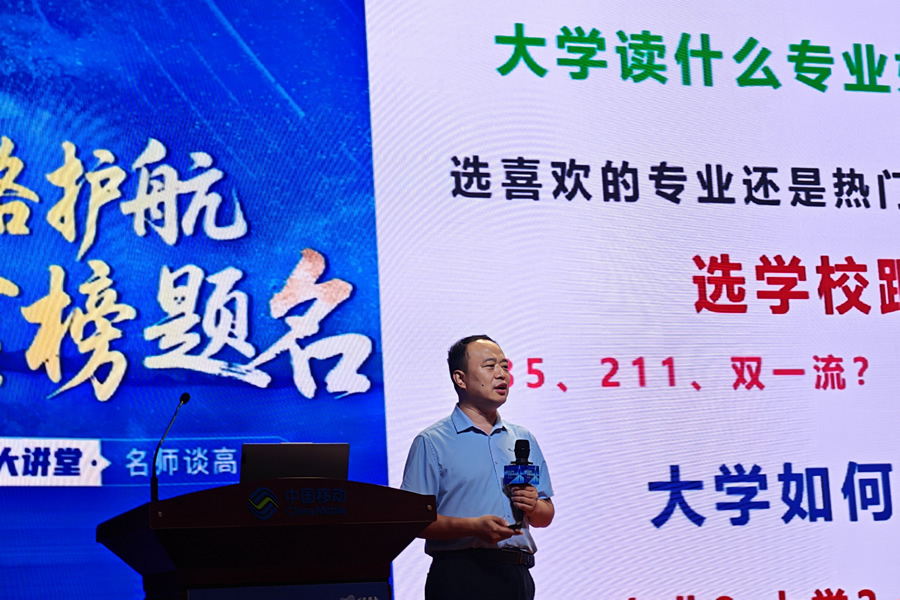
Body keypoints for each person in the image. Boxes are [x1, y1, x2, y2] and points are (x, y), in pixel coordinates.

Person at [400, 335, 554, 600]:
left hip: (517, 576)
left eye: (505, 366)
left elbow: (545, 515)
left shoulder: (522, 438)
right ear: (460, 379)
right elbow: (412, 522)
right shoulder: (432, 442)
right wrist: (473, 527)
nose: (502, 374)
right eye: (490, 366)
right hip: (460, 577)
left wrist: (533, 506)